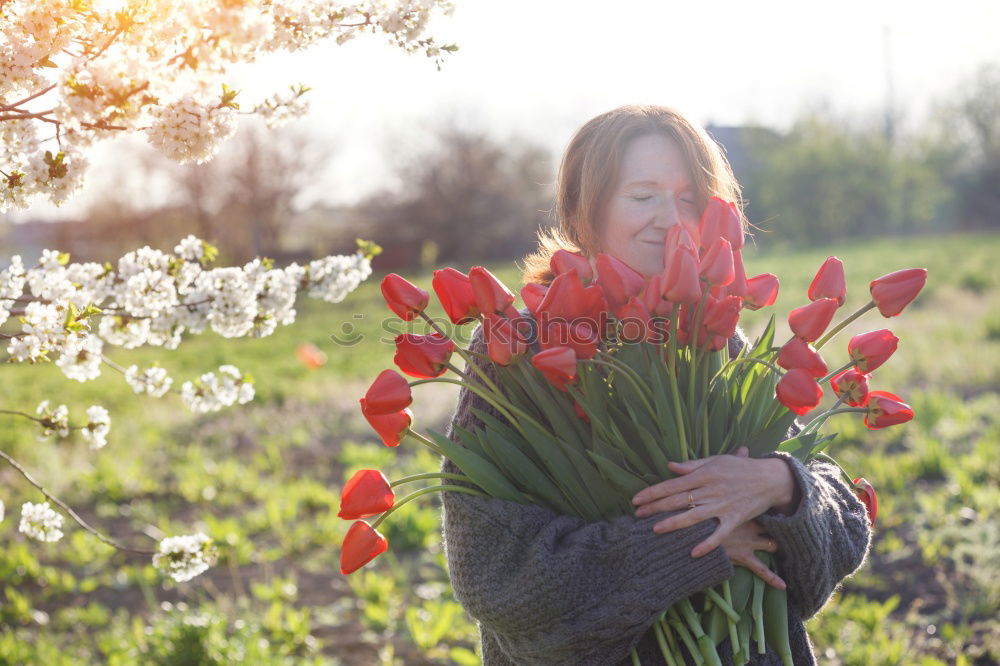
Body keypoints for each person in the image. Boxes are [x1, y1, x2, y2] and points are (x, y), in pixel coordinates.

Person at [439, 104, 871, 665]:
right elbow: (496, 575)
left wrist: (779, 484)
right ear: (584, 214)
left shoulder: (715, 339)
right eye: (642, 197)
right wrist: (696, 547)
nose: (670, 219)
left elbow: (845, 529)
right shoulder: (520, 353)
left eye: (688, 199)